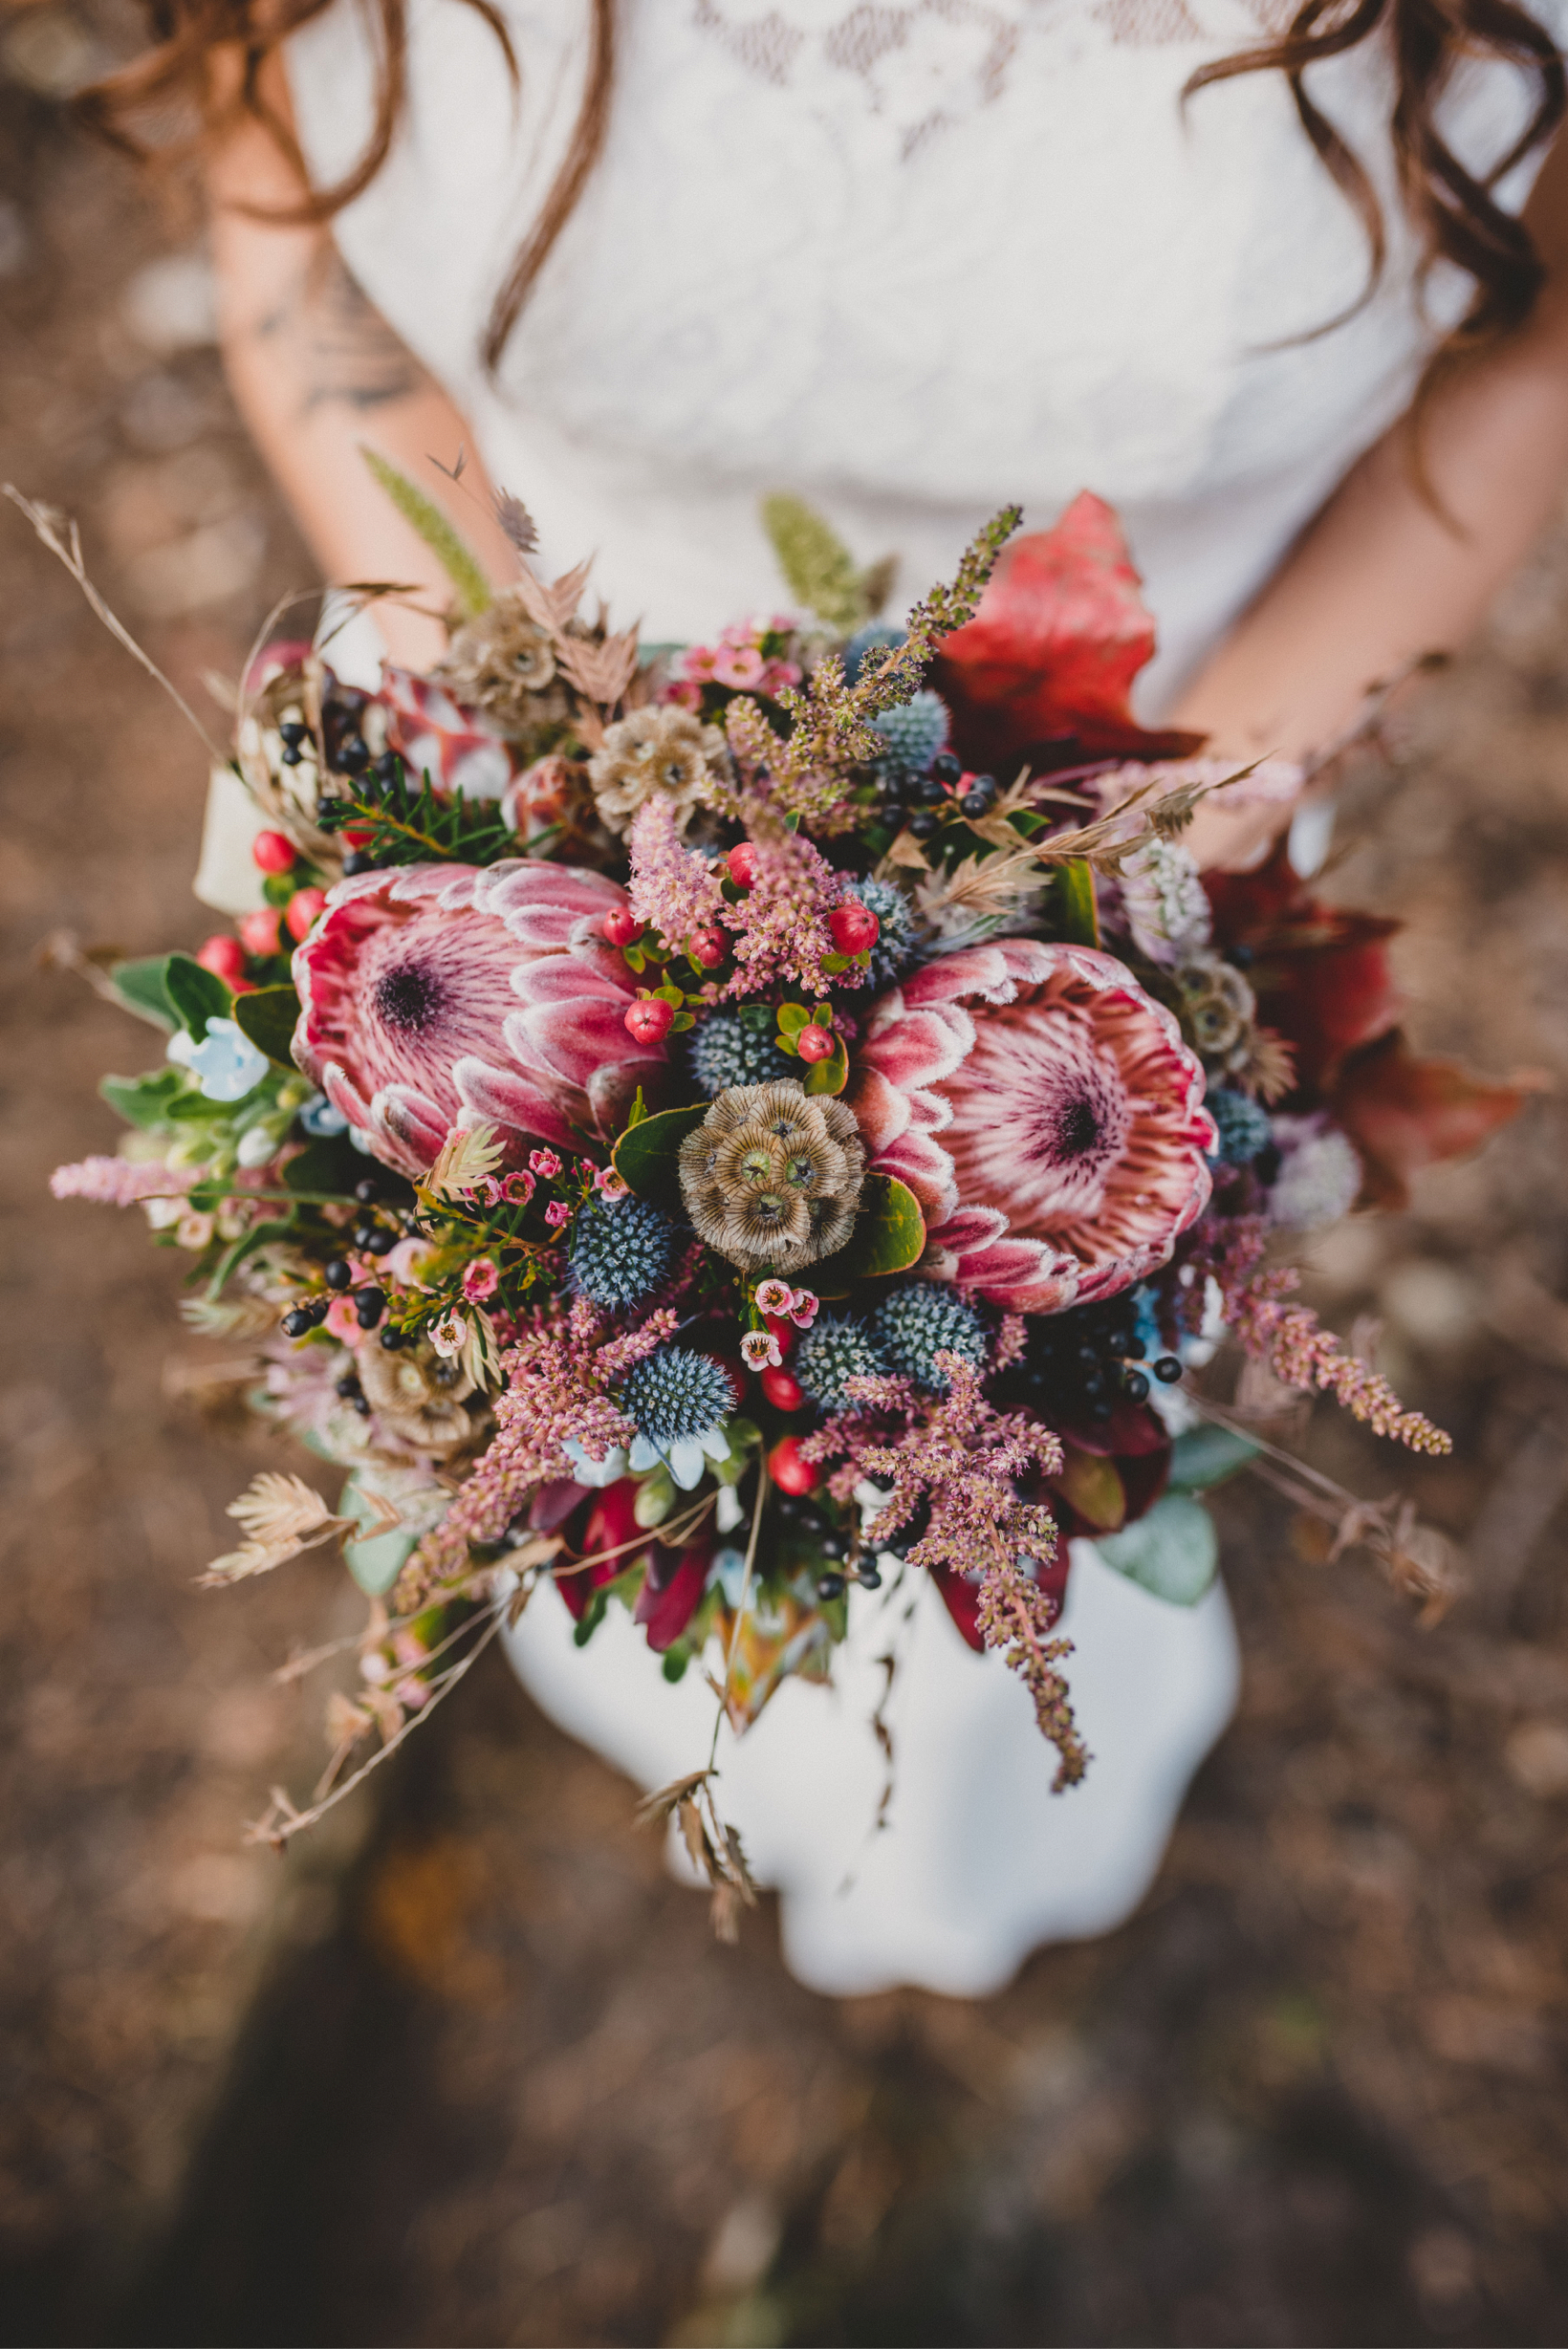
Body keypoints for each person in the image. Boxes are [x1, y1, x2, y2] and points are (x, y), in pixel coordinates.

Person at [91, 0, 1568, 1992]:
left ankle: (967, 1842)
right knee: (623, 1451)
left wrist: (1145, 857)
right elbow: (298, 220)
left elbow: (1529, 330)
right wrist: (514, 746)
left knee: (1024, 1448)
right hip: (542, 818)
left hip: (1139, 835)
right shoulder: (488, 953)